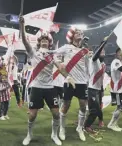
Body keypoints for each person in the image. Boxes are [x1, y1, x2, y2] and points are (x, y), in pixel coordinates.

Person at [19, 16, 75, 146]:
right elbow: (24, 40)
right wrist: (22, 26)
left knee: (56, 114)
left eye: (46, 40)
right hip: (37, 87)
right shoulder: (33, 53)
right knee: (32, 115)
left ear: (49, 42)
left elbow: (60, 67)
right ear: (39, 42)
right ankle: (29, 134)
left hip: (50, 88)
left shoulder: (52, 54)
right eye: (42, 39)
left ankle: (54, 134)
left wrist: (68, 76)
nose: (44, 41)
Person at [52, 27, 89, 141]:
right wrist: (59, 64)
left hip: (82, 82)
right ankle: (62, 128)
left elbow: (87, 66)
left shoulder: (85, 51)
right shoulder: (67, 47)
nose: (80, 34)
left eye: (81, 33)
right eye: (77, 32)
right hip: (69, 81)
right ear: (72, 36)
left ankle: (80, 128)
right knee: (65, 106)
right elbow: (54, 55)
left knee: (83, 106)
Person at [84, 37, 108, 140]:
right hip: (92, 89)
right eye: (101, 50)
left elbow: (101, 78)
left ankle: (99, 120)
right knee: (95, 110)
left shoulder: (104, 65)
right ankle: (86, 126)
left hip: (98, 90)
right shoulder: (93, 60)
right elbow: (97, 53)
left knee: (98, 108)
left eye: (104, 51)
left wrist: (102, 90)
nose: (102, 52)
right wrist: (103, 43)